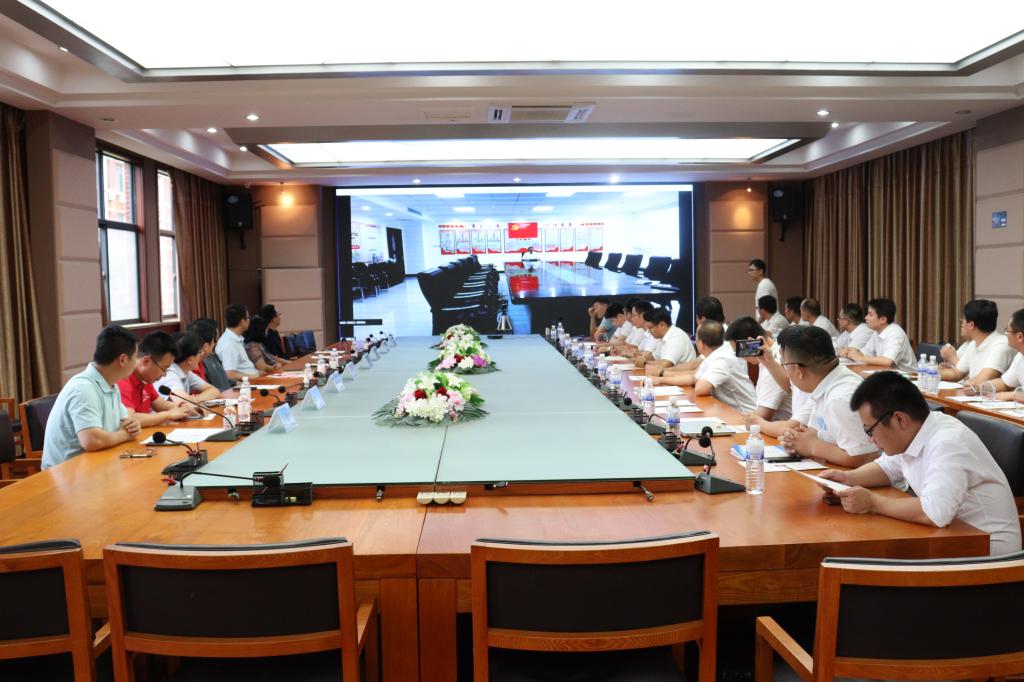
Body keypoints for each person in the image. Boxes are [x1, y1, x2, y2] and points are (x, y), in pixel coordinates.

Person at [819, 372, 1020, 556]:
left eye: (870, 430)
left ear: (899, 419)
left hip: (988, 551)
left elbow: (935, 513)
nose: (870, 439)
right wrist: (847, 479)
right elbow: (886, 468)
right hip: (952, 535)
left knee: (862, 557)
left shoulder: (948, 443)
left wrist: (872, 502)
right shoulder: (915, 431)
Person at [42, 325, 142, 469]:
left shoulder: (111, 384)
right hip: (65, 474)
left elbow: (125, 422)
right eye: (136, 357)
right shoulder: (83, 388)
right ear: (123, 360)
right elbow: (92, 440)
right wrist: (126, 435)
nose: (136, 362)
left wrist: (133, 426)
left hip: (95, 464)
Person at [777, 325, 879, 467]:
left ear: (799, 370)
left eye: (784, 364)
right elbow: (816, 434)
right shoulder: (826, 383)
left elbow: (864, 457)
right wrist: (797, 440)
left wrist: (811, 446)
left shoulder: (840, 398)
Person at [652, 321, 756, 413]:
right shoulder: (714, 354)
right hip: (729, 411)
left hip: (745, 415)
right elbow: (694, 377)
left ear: (701, 344)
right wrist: (661, 379)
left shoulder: (723, 360)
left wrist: (662, 376)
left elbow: (700, 389)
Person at [117, 332, 197, 427]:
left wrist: (183, 408)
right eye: (164, 368)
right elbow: (130, 418)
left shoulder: (145, 379)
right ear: (146, 361)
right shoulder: (123, 379)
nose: (164, 374)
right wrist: (168, 415)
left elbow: (161, 404)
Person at [726, 316, 792, 427]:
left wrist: (729, 422)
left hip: (776, 431)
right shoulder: (767, 358)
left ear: (749, 344)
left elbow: (762, 416)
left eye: (737, 351)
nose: (740, 357)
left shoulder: (773, 364)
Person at [938, 299, 1015, 386]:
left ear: (971, 325)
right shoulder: (973, 344)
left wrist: (967, 382)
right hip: (973, 393)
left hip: (989, 394)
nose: (961, 322)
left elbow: (981, 381)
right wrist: (929, 373)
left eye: (963, 319)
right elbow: (956, 374)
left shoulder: (1001, 345)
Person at [842, 298, 917, 373]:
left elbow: (887, 361)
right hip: (888, 373)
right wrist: (849, 353)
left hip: (908, 377)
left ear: (883, 320)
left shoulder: (896, 333)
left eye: (870, 315)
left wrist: (858, 357)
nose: (866, 318)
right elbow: (864, 353)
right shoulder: (877, 332)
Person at [155, 331, 222, 405]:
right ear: (190, 360)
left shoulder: (185, 371)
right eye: (199, 352)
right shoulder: (169, 375)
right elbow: (184, 404)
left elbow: (214, 391)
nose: (201, 356)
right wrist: (192, 401)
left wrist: (194, 400)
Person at [216, 304, 261, 380]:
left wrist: (257, 372)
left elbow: (242, 367)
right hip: (247, 384)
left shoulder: (236, 338)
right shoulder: (229, 343)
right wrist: (255, 377)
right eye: (248, 318)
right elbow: (229, 374)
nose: (249, 320)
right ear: (242, 321)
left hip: (253, 379)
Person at [189, 318, 233, 391]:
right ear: (205, 346)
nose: (214, 344)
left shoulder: (200, 361)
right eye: (213, 341)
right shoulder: (192, 365)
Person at [991, 308, 1024, 402]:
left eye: (1007, 331)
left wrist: (1011, 395)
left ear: (1020, 337)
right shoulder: (1020, 357)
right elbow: (1005, 383)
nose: (1006, 334)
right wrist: (978, 387)